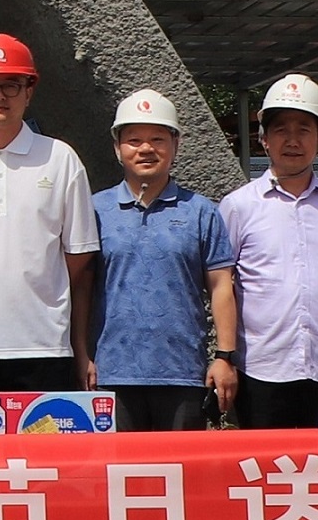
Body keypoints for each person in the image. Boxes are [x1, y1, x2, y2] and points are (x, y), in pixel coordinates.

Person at [0, 33, 99, 393]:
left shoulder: (60, 159)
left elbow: (78, 254)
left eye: (12, 85)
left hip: (44, 346)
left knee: (44, 434)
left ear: (29, 92)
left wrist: (38, 285)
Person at [219, 73, 318, 430]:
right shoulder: (238, 206)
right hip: (262, 370)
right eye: (281, 130)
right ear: (264, 139)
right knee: (266, 462)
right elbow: (222, 283)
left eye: (304, 129)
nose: (292, 140)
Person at [91, 89, 240, 432]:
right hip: (112, 372)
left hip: (182, 372)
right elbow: (81, 287)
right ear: (117, 147)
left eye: (158, 139)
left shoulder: (201, 212)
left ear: (176, 144)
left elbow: (221, 286)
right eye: (134, 140)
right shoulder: (94, 210)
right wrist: (82, 355)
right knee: (118, 465)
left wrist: (224, 357)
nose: (146, 148)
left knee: (179, 466)